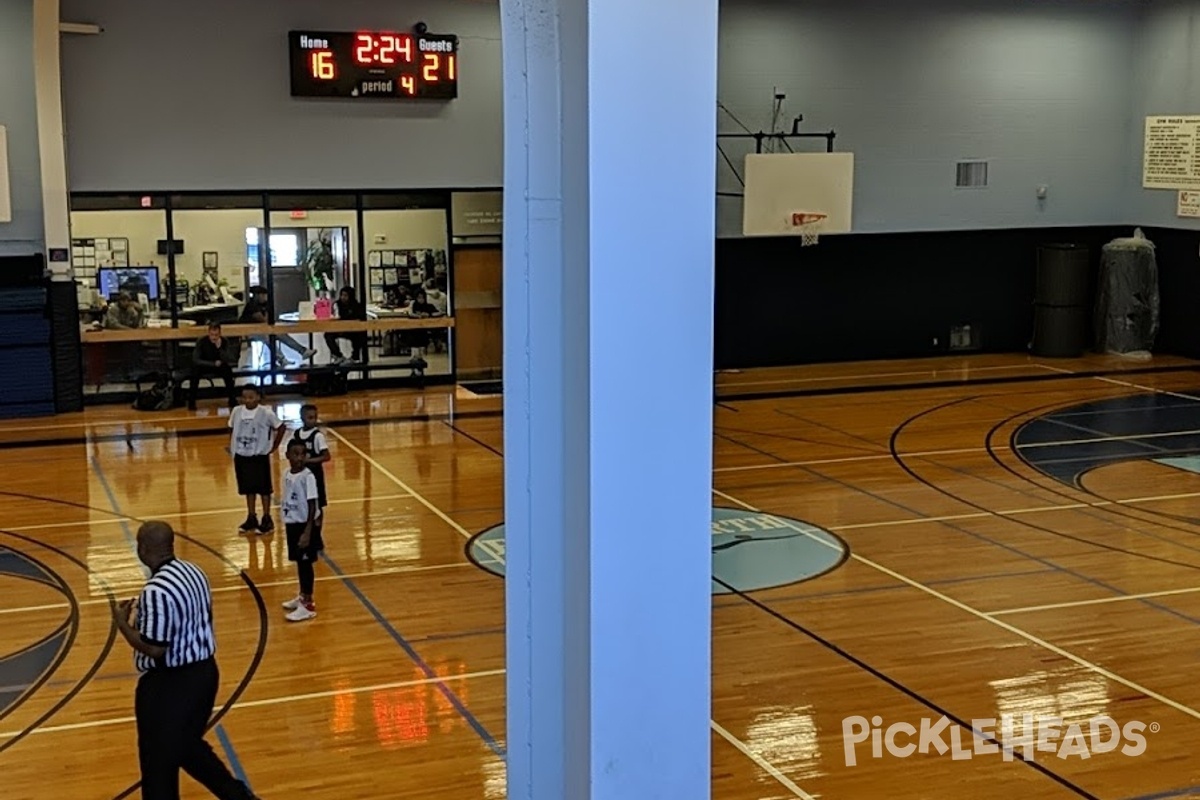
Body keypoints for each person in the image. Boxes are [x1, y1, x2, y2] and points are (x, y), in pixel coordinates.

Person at [111, 521, 259, 800]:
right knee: (185, 747)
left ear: (143, 550)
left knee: (157, 761)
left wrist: (123, 625)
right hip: (205, 674)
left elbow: (155, 649)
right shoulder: (194, 571)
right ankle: (238, 796)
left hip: (169, 685)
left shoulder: (156, 590)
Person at [228, 384, 286, 534]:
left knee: (264, 488)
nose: (248, 400)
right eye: (245, 397)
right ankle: (251, 517)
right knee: (248, 488)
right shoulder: (236, 411)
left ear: (258, 397)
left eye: (251, 397)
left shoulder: (266, 413)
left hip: (259, 455)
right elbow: (231, 428)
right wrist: (234, 445)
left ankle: (267, 518)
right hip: (241, 455)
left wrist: (274, 446)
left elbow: (281, 427)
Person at [280, 439, 322, 622]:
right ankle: (303, 595)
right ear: (287, 455)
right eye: (295, 454)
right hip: (293, 524)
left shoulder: (308, 477)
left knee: (305, 565)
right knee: (299, 562)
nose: (299, 458)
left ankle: (308, 605)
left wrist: (308, 531)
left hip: (305, 525)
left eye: (302, 454)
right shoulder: (286, 474)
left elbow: (312, 504)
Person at [240, 286, 315, 367]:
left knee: (280, 333)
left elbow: (269, 320)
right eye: (263, 295)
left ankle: (303, 351)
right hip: (249, 331)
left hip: (262, 329)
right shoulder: (252, 306)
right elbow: (263, 319)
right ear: (257, 296)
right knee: (268, 337)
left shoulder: (263, 305)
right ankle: (282, 359)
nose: (265, 297)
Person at [189, 322, 237, 411]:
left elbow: (229, 358)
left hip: (219, 366)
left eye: (216, 335)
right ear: (208, 333)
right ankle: (191, 401)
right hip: (205, 365)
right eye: (212, 335)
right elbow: (196, 359)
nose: (214, 337)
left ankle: (232, 399)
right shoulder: (201, 341)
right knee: (195, 371)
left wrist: (219, 348)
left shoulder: (224, 341)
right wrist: (212, 363)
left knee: (227, 370)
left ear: (220, 333)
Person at [323, 286, 367, 364]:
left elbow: (360, 318)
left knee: (360, 334)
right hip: (339, 328)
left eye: (346, 295)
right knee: (328, 335)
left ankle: (355, 357)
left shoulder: (356, 305)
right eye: (342, 295)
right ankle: (338, 355)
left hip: (352, 329)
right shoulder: (337, 304)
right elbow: (334, 316)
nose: (343, 297)